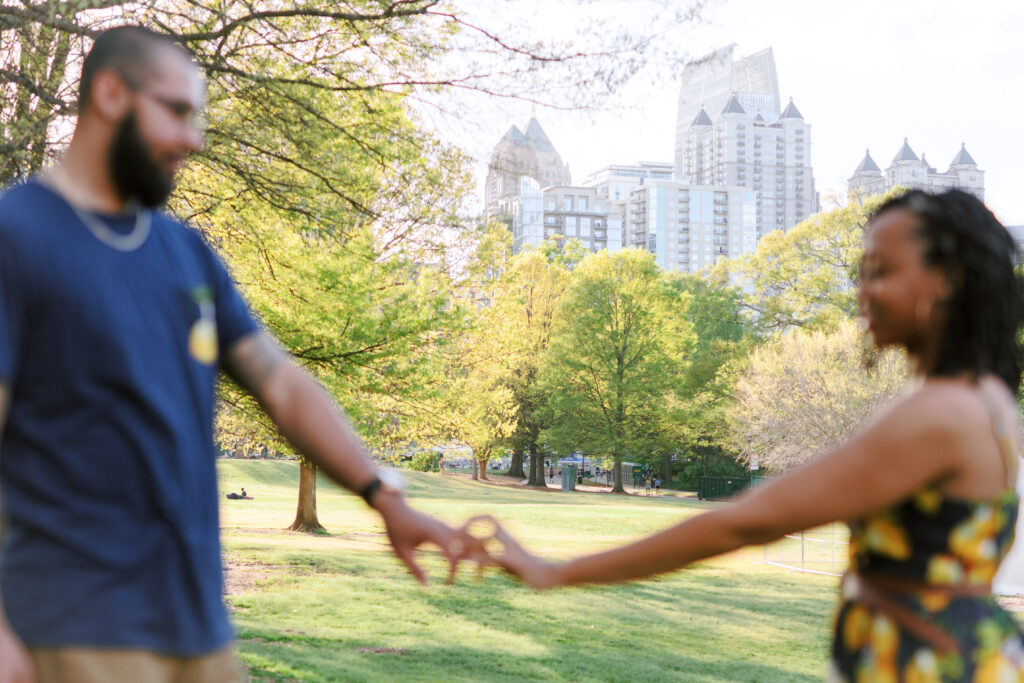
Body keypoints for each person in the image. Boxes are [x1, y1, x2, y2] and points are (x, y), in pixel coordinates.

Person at [0, 26, 462, 683]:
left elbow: (280, 383)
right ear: (109, 93)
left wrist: (383, 495)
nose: (194, 139)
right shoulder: (17, 236)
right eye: (177, 112)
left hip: (199, 632)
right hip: (76, 630)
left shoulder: (186, 254)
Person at [469, 190, 1024, 679]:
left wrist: (555, 571)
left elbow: (749, 520)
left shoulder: (940, 415)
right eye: (860, 272)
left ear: (947, 280)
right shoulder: (988, 401)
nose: (862, 290)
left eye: (881, 270)